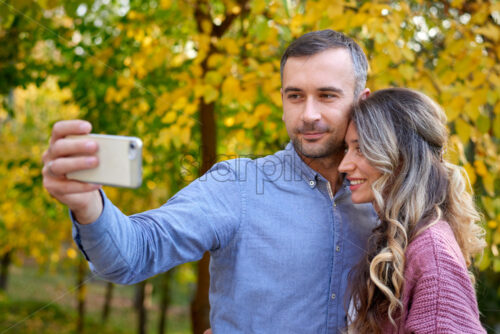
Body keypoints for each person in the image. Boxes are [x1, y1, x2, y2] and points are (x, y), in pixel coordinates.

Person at [42, 29, 377, 332]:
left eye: (327, 96)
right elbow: (134, 254)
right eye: (295, 96)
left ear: (362, 101)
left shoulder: (389, 197)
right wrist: (88, 205)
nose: (308, 114)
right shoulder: (238, 185)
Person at [338, 88, 486, 333]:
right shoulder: (407, 239)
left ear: (401, 157)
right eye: (347, 149)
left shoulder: (433, 254)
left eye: (361, 149)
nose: (344, 165)